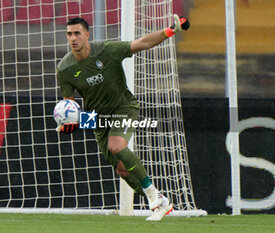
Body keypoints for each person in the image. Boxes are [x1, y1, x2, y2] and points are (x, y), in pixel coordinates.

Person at [57, 15, 190, 221]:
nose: (72, 38)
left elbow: (142, 43)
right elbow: (69, 105)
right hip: (97, 118)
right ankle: (160, 202)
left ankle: (153, 193)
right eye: (69, 34)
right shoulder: (65, 68)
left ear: (86, 35)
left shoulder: (107, 50)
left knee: (116, 145)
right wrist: (68, 123)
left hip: (123, 107)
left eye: (76, 33)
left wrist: (170, 30)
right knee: (122, 169)